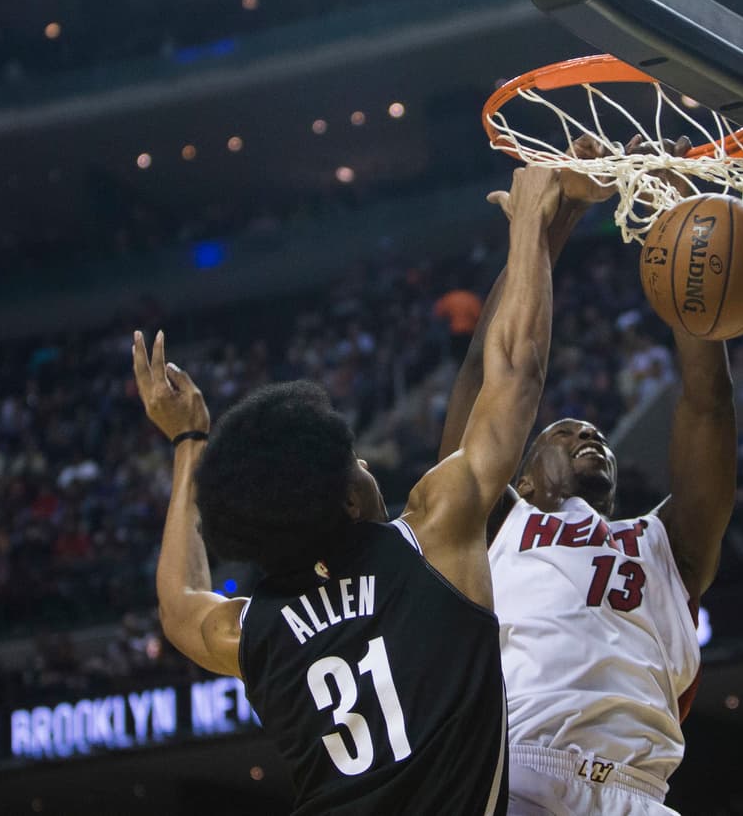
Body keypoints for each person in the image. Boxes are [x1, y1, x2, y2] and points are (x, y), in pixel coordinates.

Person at [132, 167, 564, 815]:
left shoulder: (254, 631)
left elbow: (176, 604)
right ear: (348, 499)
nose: (366, 466)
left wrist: (188, 442)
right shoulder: (432, 537)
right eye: (356, 460)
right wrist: (531, 226)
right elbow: (515, 371)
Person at [438, 140, 735, 815]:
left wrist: (673, 223)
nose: (586, 433)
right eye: (560, 431)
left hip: (641, 791)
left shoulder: (669, 545)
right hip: (523, 772)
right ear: (526, 481)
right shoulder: (496, 521)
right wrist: (553, 218)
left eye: (594, 432)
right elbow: (485, 378)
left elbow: (706, 403)